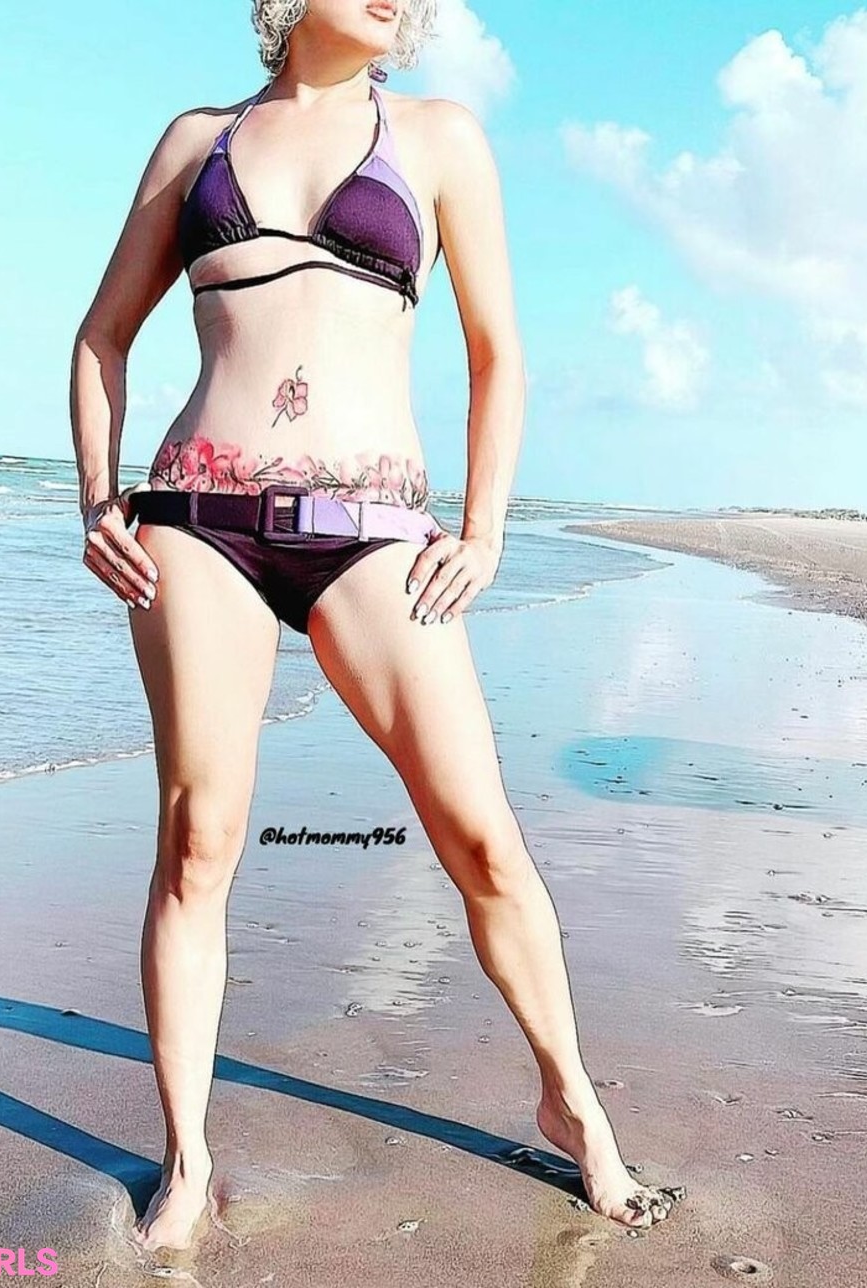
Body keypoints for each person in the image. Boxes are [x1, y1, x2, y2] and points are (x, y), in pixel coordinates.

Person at [70, 0, 677, 1255]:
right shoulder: (195, 142)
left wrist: (485, 530)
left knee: (481, 834)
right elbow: (102, 335)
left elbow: (498, 353)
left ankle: (573, 1102)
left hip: (375, 529)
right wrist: (95, 496)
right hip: (197, 520)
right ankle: (188, 1160)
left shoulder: (441, 139)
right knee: (198, 838)